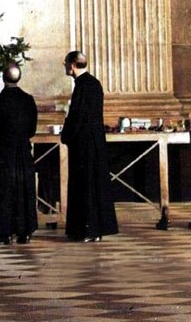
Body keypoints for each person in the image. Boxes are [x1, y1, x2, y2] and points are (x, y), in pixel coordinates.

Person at [60, 50, 119, 242]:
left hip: (83, 144)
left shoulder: (82, 86)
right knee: (95, 185)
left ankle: (86, 230)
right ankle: (96, 230)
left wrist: (66, 135)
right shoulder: (94, 83)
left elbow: (77, 117)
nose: (65, 67)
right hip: (95, 142)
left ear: (72, 65)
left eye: (66, 63)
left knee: (84, 186)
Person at [0, 62, 38, 245]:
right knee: (23, 192)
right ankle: (25, 232)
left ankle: (3, 232)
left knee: (3, 192)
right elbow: (32, 129)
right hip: (22, 151)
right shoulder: (28, 100)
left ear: (3, 78)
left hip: (3, 153)